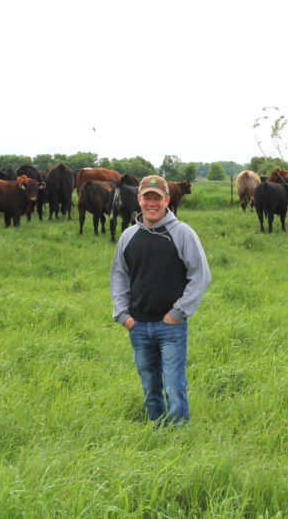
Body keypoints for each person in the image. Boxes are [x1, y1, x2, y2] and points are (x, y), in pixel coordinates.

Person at [110, 175, 211, 425]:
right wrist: (123, 315)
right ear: (139, 200)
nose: (152, 203)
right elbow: (119, 277)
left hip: (171, 327)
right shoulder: (128, 236)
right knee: (149, 385)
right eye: (147, 198)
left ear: (167, 200)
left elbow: (201, 275)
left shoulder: (182, 233)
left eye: (158, 198)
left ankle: (178, 437)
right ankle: (157, 430)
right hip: (139, 326)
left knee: (175, 385)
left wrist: (178, 313)